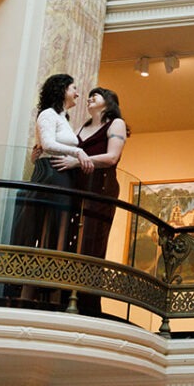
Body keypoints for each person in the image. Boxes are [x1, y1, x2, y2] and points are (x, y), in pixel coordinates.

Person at [51, 86, 129, 313]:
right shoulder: (83, 126)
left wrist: (79, 161)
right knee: (71, 239)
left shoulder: (116, 124)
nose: (90, 98)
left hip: (100, 188)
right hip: (78, 188)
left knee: (91, 240)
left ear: (109, 101)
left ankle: (86, 303)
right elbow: (68, 151)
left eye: (97, 95)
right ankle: (62, 296)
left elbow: (112, 157)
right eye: (90, 95)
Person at [11, 74, 89, 257]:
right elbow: (47, 144)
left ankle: (53, 276)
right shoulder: (48, 114)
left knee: (58, 226)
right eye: (73, 88)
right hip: (52, 174)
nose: (77, 94)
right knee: (43, 225)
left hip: (61, 175)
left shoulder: (63, 118)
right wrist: (78, 152)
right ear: (62, 90)